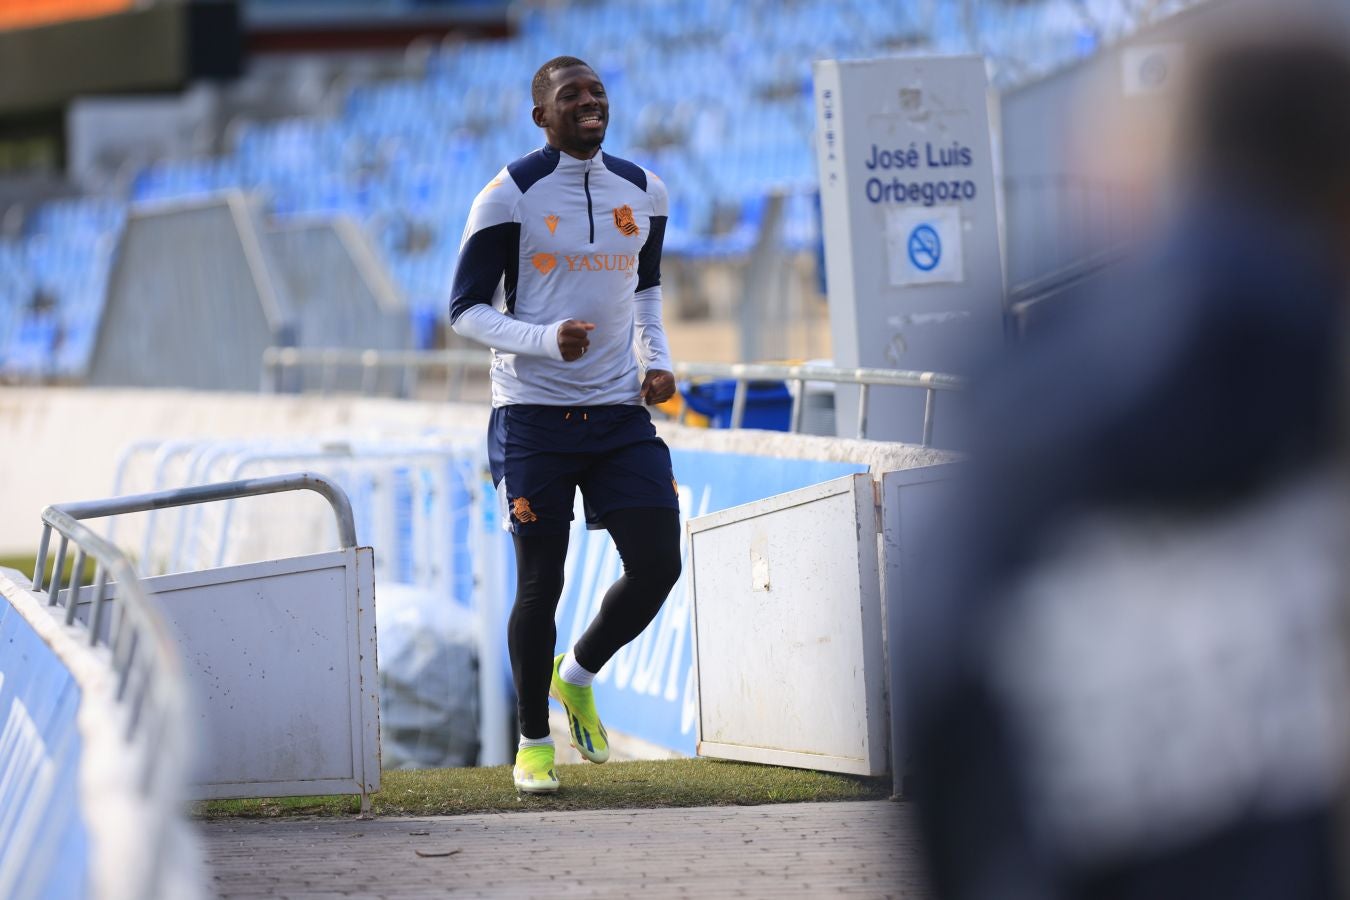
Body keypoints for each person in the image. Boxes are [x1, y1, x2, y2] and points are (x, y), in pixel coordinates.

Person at [449, 56, 682, 794]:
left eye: (597, 92)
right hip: (532, 418)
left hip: (618, 412)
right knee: (539, 585)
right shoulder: (508, 196)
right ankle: (532, 743)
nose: (589, 102)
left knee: (660, 565)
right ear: (540, 116)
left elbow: (645, 290)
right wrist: (546, 339)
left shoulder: (645, 191)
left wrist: (656, 361)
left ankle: (575, 675)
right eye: (570, 95)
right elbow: (464, 311)